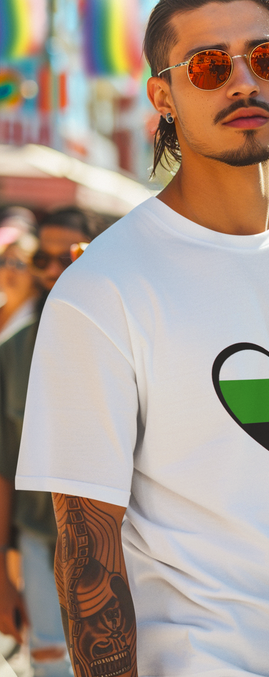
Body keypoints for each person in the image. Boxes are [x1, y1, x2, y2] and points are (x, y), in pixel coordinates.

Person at [16, 0, 269, 677]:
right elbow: (85, 546)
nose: (243, 83)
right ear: (162, 94)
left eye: (266, 57)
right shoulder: (101, 288)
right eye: (209, 65)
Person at [0, 207, 93, 677]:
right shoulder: (13, 352)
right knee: (51, 662)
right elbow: (2, 467)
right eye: (44, 259)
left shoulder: (120, 339)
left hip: (118, 540)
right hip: (38, 537)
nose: (55, 270)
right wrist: (2, 566)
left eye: (71, 257)